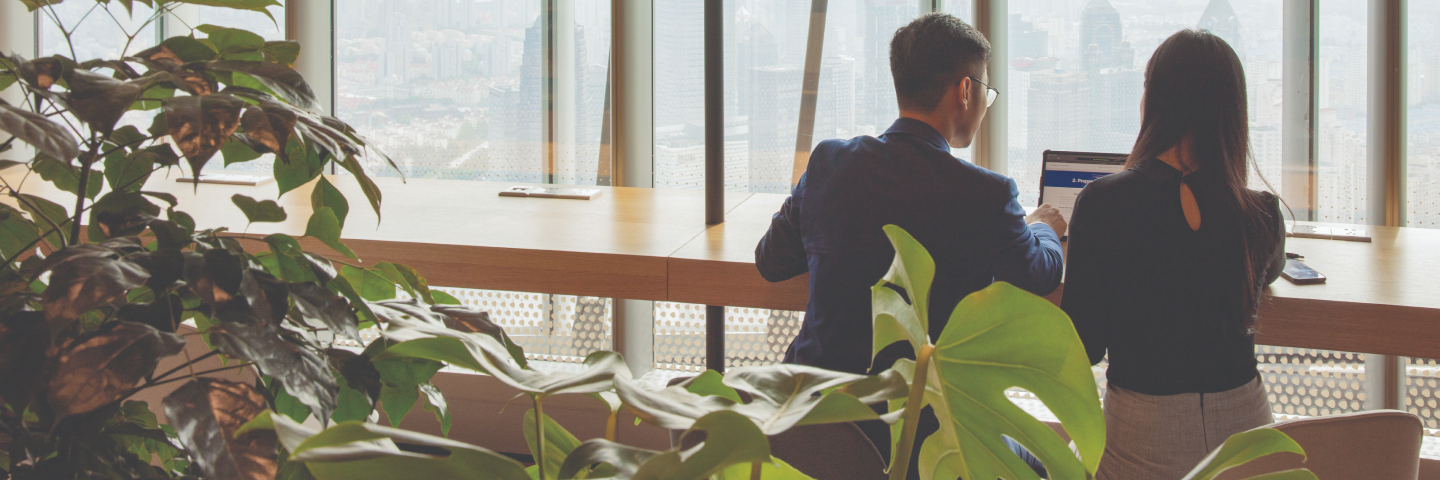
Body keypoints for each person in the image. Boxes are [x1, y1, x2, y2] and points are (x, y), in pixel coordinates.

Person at [755, 13, 1065, 479]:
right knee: (1048, 469)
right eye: (986, 91)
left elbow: (771, 260)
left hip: (816, 427)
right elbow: (1039, 273)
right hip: (926, 441)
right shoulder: (985, 194)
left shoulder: (830, 163)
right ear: (965, 90)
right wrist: (1043, 227)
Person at [1060, 29, 1287, 480]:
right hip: (1246, 443)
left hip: (1141, 440)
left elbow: (1083, 345)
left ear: (1153, 99)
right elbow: (1271, 269)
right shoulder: (1262, 212)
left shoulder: (1103, 202)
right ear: (1232, 111)